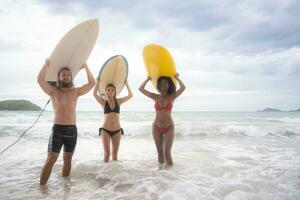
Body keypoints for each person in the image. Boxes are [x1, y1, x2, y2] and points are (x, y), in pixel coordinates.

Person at [37, 59, 95, 185]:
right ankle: (41, 190)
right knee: (50, 159)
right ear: (59, 77)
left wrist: (86, 67)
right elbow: (40, 80)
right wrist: (45, 65)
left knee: (68, 159)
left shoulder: (76, 91)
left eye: (68, 75)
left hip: (72, 130)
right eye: (63, 74)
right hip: (58, 129)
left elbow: (92, 83)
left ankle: (65, 189)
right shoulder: (53, 91)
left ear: (71, 77)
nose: (66, 76)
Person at [139, 74, 185, 168]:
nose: (163, 84)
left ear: (169, 85)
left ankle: (171, 177)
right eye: (161, 83)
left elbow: (183, 87)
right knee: (160, 153)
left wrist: (176, 77)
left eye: (165, 83)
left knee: (167, 153)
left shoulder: (172, 96)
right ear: (158, 85)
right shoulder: (155, 97)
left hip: (169, 127)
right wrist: (147, 79)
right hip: (156, 127)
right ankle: (161, 177)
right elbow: (141, 89)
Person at [93, 80, 133, 162]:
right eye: (108, 90)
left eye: (112, 90)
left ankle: (114, 174)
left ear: (115, 92)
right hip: (105, 130)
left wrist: (127, 84)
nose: (110, 91)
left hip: (117, 131)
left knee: (115, 155)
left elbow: (130, 95)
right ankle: (103, 173)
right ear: (106, 92)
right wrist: (97, 83)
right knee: (107, 155)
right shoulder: (103, 102)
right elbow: (94, 94)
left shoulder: (119, 101)